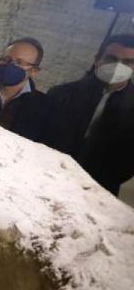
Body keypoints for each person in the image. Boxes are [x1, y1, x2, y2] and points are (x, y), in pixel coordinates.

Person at [47, 33, 134, 195]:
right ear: (97, 59)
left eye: (128, 62)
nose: (117, 67)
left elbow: (129, 163)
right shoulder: (60, 95)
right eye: (111, 59)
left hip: (99, 190)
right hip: (49, 178)